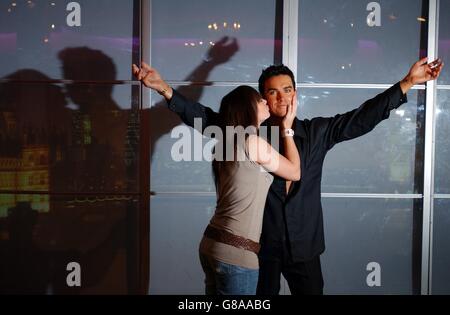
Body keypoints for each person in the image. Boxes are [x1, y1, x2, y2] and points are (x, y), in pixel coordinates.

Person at [134, 57, 443, 295]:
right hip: (259, 249)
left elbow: (361, 118)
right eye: (272, 92)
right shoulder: (247, 134)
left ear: (296, 93)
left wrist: (406, 82)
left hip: (305, 247)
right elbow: (204, 117)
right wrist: (163, 88)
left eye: (287, 90)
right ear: (262, 99)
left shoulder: (318, 131)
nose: (281, 98)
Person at [133, 63, 301, 294]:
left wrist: (163, 88)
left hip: (212, 243)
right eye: (260, 98)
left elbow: (199, 114)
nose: (265, 101)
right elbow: (294, 172)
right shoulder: (253, 142)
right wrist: (287, 128)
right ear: (248, 108)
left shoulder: (227, 141)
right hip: (236, 253)